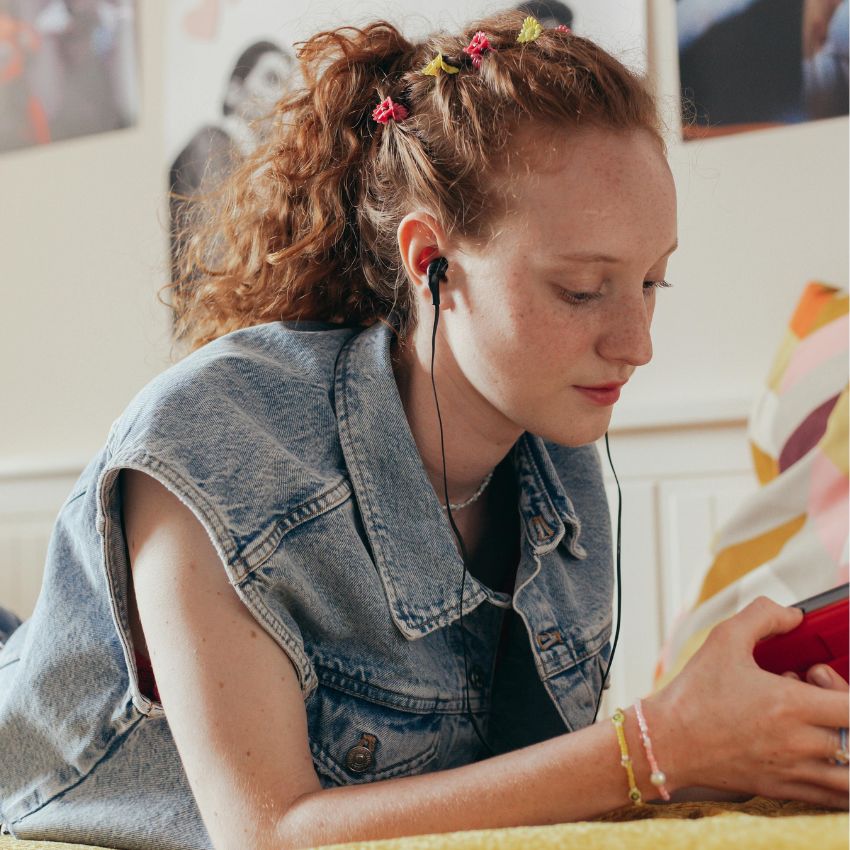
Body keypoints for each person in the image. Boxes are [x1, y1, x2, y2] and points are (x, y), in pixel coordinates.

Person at [0, 10, 847, 850]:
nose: (638, 346)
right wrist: (657, 747)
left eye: (653, 283)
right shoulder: (217, 441)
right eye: (583, 290)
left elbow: (513, 785)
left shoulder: (559, 464)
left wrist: (733, 743)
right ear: (430, 262)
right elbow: (267, 834)